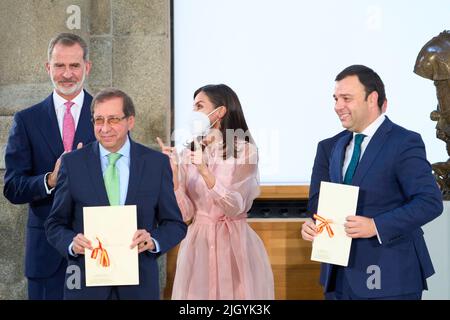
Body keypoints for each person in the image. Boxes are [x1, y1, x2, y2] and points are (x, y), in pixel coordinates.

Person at [301, 65, 443, 300]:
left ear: (372, 98)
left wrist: (375, 226)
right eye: (336, 98)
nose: (337, 106)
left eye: (346, 98)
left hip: (390, 278)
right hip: (337, 280)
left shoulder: (404, 142)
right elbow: (318, 204)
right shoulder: (328, 147)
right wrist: (312, 223)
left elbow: (429, 202)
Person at [44, 88, 187, 299]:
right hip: (85, 286)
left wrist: (153, 240)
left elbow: (175, 225)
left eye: (113, 120)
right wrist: (72, 243)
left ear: (130, 121)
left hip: (139, 287)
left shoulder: (156, 164)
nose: (104, 128)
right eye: (98, 120)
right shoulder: (72, 164)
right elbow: (54, 224)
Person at [158, 84, 274, 299]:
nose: (194, 113)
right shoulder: (189, 151)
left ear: (220, 111)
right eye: (193, 107)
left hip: (234, 245)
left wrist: (204, 170)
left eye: (200, 106)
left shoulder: (245, 151)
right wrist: (174, 176)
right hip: (198, 245)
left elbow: (234, 206)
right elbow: (185, 215)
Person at [3, 33, 96, 300]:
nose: (67, 74)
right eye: (59, 66)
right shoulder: (26, 120)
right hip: (45, 255)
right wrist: (50, 180)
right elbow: (12, 187)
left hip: (97, 250)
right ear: (48, 67)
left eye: (75, 66)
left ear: (87, 67)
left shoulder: (107, 118)